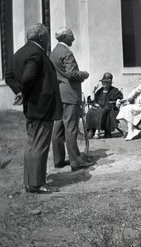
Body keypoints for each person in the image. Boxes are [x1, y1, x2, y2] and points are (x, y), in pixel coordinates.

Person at [5, 23, 63, 194]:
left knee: (31, 144)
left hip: (32, 106)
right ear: (40, 37)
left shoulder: (19, 53)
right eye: (46, 37)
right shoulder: (36, 54)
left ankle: (29, 182)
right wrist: (24, 92)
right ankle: (36, 184)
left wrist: (20, 91)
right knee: (39, 145)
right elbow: (29, 76)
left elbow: (9, 76)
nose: (47, 40)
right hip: (41, 106)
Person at [50, 27, 95, 172]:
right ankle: (76, 162)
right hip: (69, 94)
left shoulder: (54, 52)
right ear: (64, 37)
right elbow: (72, 73)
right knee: (70, 128)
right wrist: (84, 74)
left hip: (59, 94)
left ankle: (58, 160)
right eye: (71, 36)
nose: (73, 39)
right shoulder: (66, 52)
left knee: (58, 128)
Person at [117, 66, 141, 141]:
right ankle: (131, 130)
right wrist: (128, 99)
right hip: (139, 105)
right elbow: (136, 91)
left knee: (129, 109)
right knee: (125, 108)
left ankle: (133, 130)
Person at [86, 73, 123, 138]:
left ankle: (97, 132)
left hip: (109, 107)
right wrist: (93, 90)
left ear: (110, 83)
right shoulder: (100, 90)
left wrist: (118, 100)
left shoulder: (114, 90)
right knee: (90, 112)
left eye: (107, 82)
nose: (104, 84)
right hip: (98, 106)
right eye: (103, 82)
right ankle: (91, 131)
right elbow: (92, 99)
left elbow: (119, 97)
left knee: (101, 112)